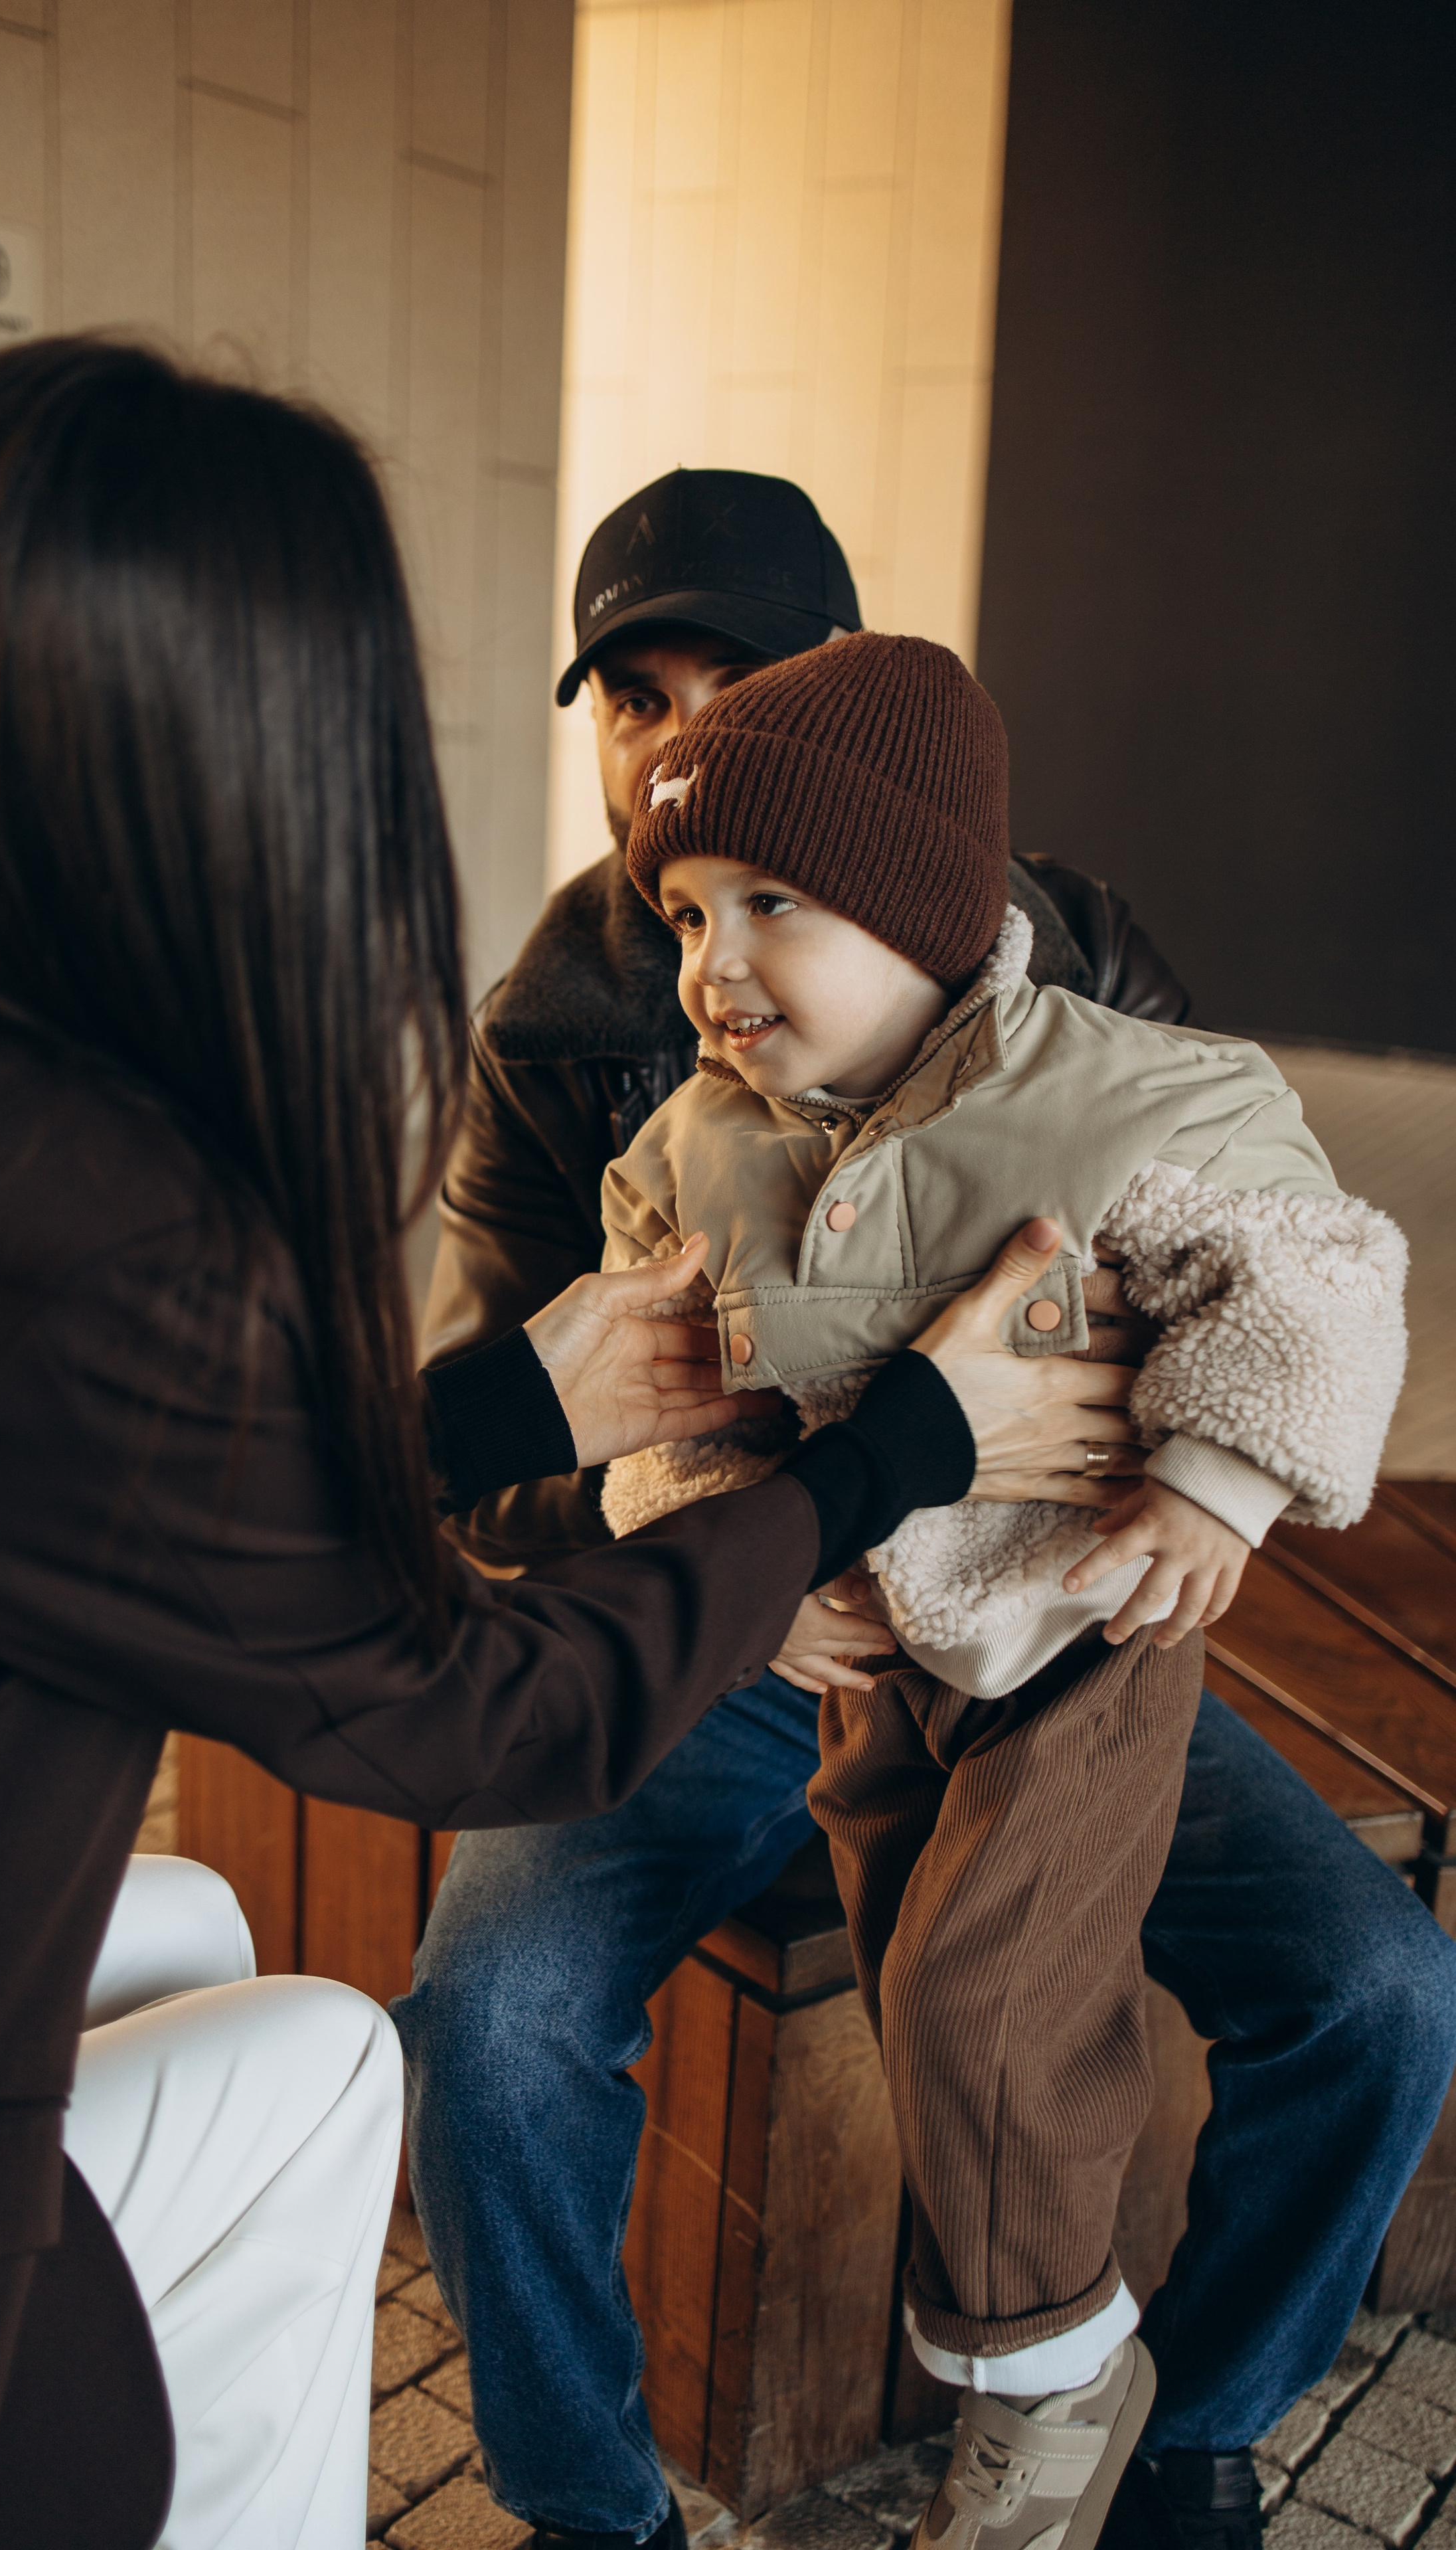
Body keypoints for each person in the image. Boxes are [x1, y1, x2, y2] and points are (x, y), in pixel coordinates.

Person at [0, 342, 1120, 2550]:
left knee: (199, 1919)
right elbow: (492, 1711)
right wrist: (905, 1450)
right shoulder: (97, 1219)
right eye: (633, 700)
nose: (683, 760)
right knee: (373, 2050)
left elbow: (93, 1503)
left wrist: (517, 1393)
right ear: (275, 749)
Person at [397, 468, 1456, 2550]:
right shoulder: (573, 1032)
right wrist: (712, 1547)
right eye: (628, 694)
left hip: (1032, 1615)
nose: (662, 756)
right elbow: (503, 1454)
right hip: (733, 1639)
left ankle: (1187, 2436)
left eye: (731, 683)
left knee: (1381, 1987)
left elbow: (1248, 1256)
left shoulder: (1073, 969)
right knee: (494, 2007)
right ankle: (585, 2511)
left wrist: (1181, 1469)